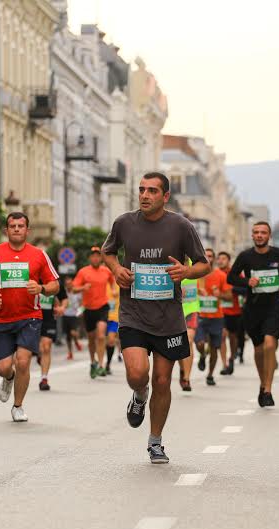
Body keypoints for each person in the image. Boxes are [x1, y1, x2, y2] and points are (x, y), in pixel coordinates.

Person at [102, 172, 210, 464]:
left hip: (168, 317)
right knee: (139, 374)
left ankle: (155, 442)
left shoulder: (181, 226)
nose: (145, 195)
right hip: (133, 313)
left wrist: (187, 272)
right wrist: (116, 269)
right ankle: (139, 395)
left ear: (165, 197)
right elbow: (107, 252)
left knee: (163, 381)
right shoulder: (124, 223)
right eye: (141, 190)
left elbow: (204, 264)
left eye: (152, 191)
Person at [0, 212, 59, 423]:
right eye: (13, 226)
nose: (17, 229)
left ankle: (18, 406)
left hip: (30, 317)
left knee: (22, 362)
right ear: (6, 230)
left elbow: (55, 285)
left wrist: (40, 287)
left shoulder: (39, 255)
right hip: (2, 319)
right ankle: (8, 379)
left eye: (21, 226)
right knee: (3, 367)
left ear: (27, 230)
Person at [228, 222, 279, 407]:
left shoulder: (278, 254)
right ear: (252, 235)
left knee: (270, 344)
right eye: (256, 232)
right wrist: (247, 281)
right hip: (253, 308)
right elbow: (231, 277)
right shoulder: (245, 256)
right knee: (258, 350)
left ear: (269, 235)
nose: (259, 235)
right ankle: (263, 382)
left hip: (274, 306)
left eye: (263, 232)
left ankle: (268, 390)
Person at [72, 247, 116, 378]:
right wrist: (82, 287)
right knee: (91, 338)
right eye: (93, 256)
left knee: (101, 335)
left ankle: (101, 365)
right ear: (89, 258)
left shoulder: (106, 271)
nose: (95, 258)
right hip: (88, 309)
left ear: (101, 258)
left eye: (98, 256)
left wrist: (113, 290)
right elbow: (73, 289)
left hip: (103, 307)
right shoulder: (83, 272)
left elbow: (112, 281)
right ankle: (93, 362)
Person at [195, 248, 230, 386]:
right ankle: (203, 355)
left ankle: (210, 375)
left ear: (214, 259)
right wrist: (197, 291)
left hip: (216, 317)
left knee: (215, 347)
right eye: (205, 256)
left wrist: (219, 294)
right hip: (200, 315)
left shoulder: (221, 275)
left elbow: (228, 296)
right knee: (200, 343)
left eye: (210, 256)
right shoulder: (196, 275)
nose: (207, 258)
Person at [38, 276, 69, 389]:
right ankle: (39, 355)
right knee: (37, 349)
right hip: (31, 318)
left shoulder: (54, 281)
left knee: (46, 346)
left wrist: (62, 307)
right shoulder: (30, 276)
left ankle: (44, 379)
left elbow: (64, 299)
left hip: (48, 319)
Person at [217, 251, 242, 375]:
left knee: (233, 337)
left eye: (223, 259)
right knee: (222, 335)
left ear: (228, 261)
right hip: (219, 311)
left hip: (234, 311)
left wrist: (233, 290)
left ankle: (231, 357)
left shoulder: (234, 273)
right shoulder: (215, 274)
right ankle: (225, 364)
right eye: (219, 259)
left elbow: (245, 287)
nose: (220, 261)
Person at [180, 266, 201, 391]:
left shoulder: (195, 263)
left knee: (188, 340)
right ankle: (183, 369)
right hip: (174, 311)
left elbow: (205, 271)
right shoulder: (169, 261)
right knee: (178, 345)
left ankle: (186, 378)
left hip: (191, 309)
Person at [62, 276, 83, 359]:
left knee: (73, 332)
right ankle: (70, 352)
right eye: (67, 284)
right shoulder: (63, 293)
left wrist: (80, 311)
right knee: (68, 337)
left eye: (70, 283)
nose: (69, 285)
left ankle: (77, 342)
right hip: (65, 315)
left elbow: (81, 303)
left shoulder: (77, 292)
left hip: (74, 315)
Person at [105, 281, 121, 375]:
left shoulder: (119, 282)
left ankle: (108, 363)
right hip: (101, 316)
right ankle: (97, 363)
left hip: (114, 317)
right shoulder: (102, 283)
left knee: (111, 340)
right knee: (101, 340)